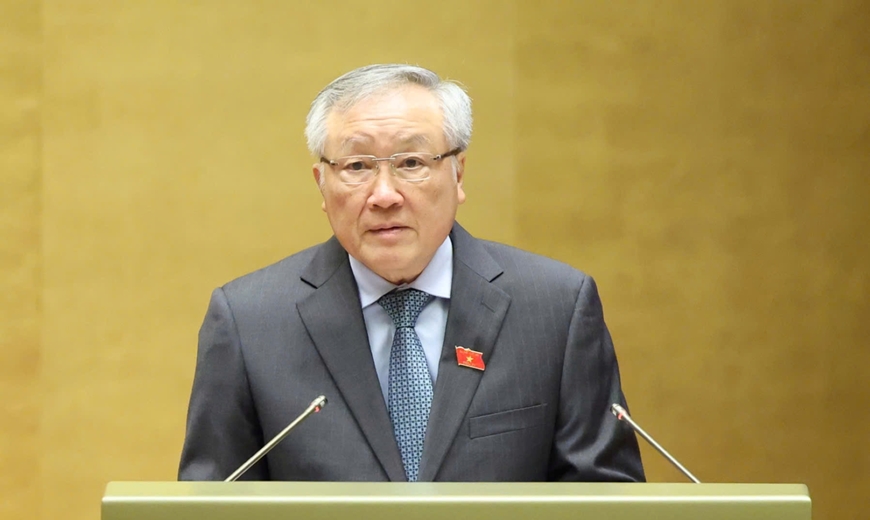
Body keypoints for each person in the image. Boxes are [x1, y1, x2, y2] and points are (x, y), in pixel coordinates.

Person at [178, 64, 644, 482]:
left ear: (458, 175)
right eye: (357, 166)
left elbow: (608, 516)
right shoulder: (248, 322)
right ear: (322, 185)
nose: (384, 195)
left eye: (411, 163)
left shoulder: (556, 309)